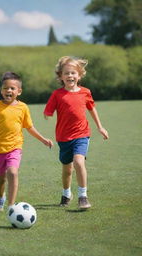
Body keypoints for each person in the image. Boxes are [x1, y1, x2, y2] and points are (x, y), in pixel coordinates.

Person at [0, 71, 53, 212]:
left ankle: (11, 206)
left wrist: (43, 139)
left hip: (15, 146)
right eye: (5, 88)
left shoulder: (23, 107)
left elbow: (29, 127)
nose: (9, 90)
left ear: (19, 91)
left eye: (12, 88)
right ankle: (0, 197)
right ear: (1, 90)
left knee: (13, 173)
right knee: (1, 179)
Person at [44, 56, 109, 210]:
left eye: (73, 73)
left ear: (79, 75)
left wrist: (100, 127)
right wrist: (47, 113)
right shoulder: (57, 94)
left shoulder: (85, 92)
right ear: (61, 76)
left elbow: (91, 108)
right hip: (63, 137)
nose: (70, 76)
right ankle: (66, 193)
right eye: (66, 73)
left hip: (82, 134)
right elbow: (49, 109)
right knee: (67, 170)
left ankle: (83, 196)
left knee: (79, 162)